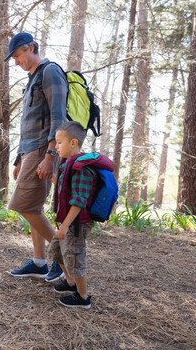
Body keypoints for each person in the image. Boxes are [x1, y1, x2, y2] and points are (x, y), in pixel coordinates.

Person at [4, 32, 68, 282]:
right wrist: (20, 158)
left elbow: (58, 116)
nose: (17, 61)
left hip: (44, 149)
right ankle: (40, 262)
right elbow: (28, 124)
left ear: (31, 48)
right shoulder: (32, 79)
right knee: (33, 206)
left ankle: (61, 255)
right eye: (14, 58)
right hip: (31, 151)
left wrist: (51, 155)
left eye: (18, 55)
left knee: (23, 204)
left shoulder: (49, 71)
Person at [47, 121, 113, 309]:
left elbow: (79, 200)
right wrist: (50, 178)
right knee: (56, 251)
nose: (56, 147)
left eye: (59, 142)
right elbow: (64, 189)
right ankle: (70, 284)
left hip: (76, 223)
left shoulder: (81, 168)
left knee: (74, 256)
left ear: (73, 142)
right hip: (67, 222)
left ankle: (83, 298)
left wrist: (66, 225)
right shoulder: (69, 164)